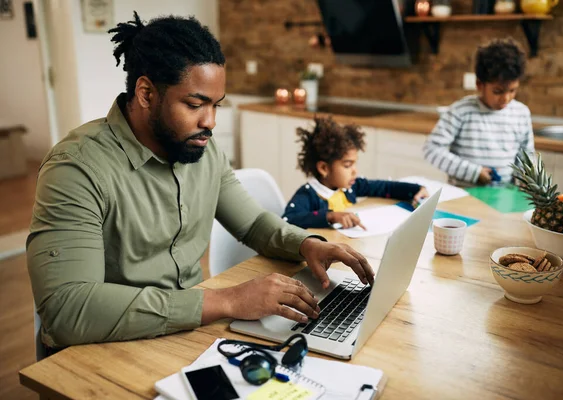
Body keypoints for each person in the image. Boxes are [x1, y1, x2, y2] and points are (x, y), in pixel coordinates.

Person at [26, 12, 374, 350]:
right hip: (106, 348)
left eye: (216, 105)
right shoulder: (76, 168)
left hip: (190, 333)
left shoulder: (201, 150)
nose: (210, 121)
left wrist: (307, 245)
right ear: (146, 94)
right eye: (195, 104)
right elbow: (67, 309)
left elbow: (252, 223)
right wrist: (229, 300)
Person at [423, 37, 535, 187]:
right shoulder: (460, 111)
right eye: (498, 91)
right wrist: (473, 172)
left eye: (513, 90)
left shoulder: (521, 114)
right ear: (479, 85)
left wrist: (526, 177)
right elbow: (432, 150)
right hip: (463, 196)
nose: (506, 98)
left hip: (504, 198)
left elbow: (526, 156)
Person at [282, 116, 428, 229]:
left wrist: (416, 189)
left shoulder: (351, 186)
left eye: (354, 164)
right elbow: (288, 220)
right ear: (324, 168)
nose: (354, 171)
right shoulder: (308, 195)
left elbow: (385, 187)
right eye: (347, 165)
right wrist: (330, 216)